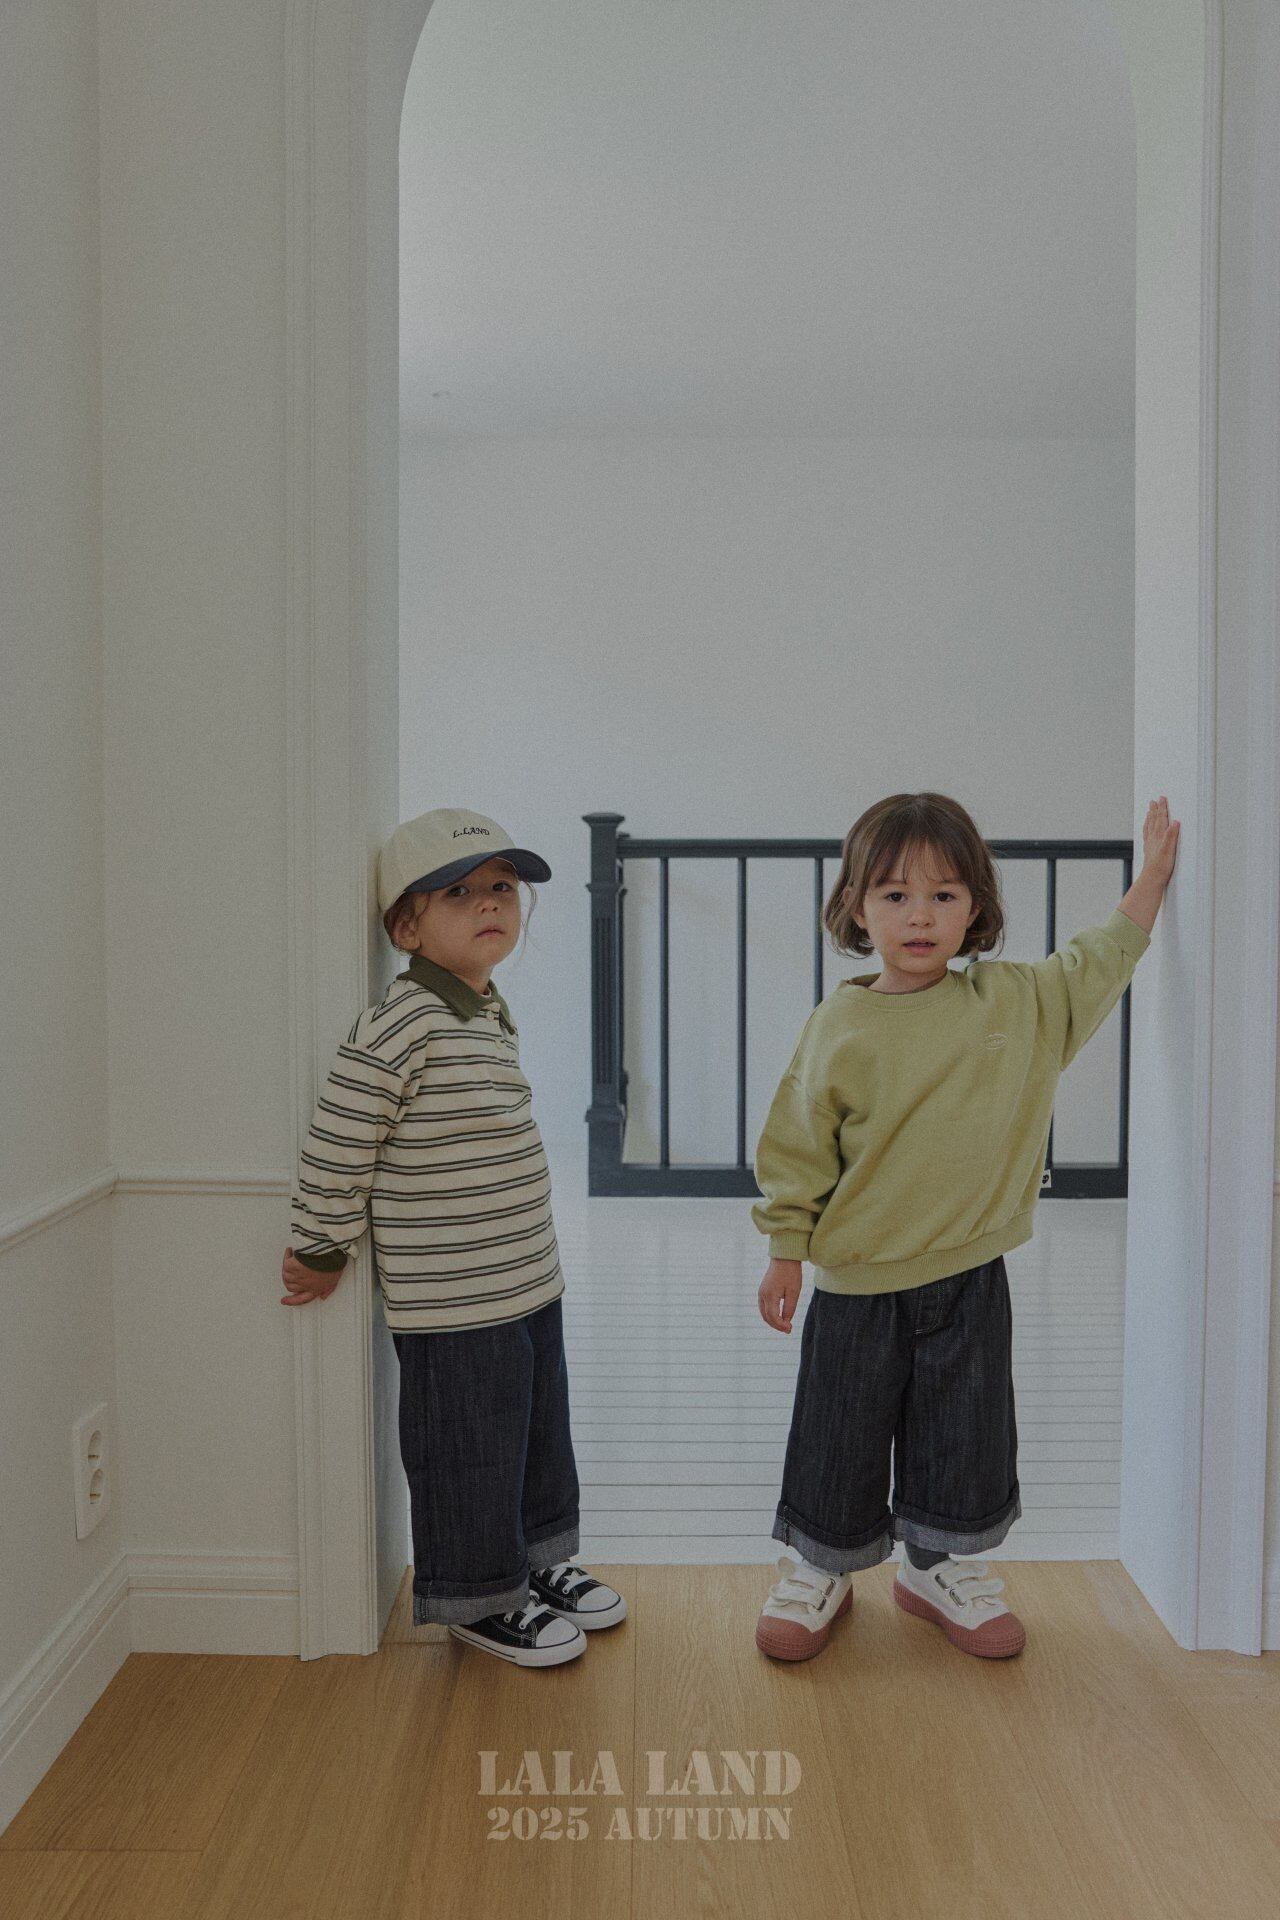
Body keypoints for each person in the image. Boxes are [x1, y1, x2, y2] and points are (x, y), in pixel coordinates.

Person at [752, 791, 1179, 1663]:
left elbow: (1097, 963)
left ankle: (935, 1569)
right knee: (839, 1436)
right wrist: (785, 1251)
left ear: (975, 906)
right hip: (860, 1285)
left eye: (943, 895)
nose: (920, 916)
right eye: (896, 895)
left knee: (963, 1436)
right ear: (856, 908)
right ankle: (820, 1567)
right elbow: (796, 1146)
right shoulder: (839, 1026)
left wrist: (1153, 882)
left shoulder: (1015, 1003)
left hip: (971, 1277)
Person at [279, 807, 627, 1667]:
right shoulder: (402, 1023)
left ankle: (538, 1559)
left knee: (537, 1437)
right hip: (452, 1298)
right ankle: (480, 1597)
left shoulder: (485, 1011)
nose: (491, 904)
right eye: (460, 893)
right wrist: (321, 1244)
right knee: (469, 1450)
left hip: (526, 1279)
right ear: (407, 927)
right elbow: (342, 1136)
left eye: (502, 888)